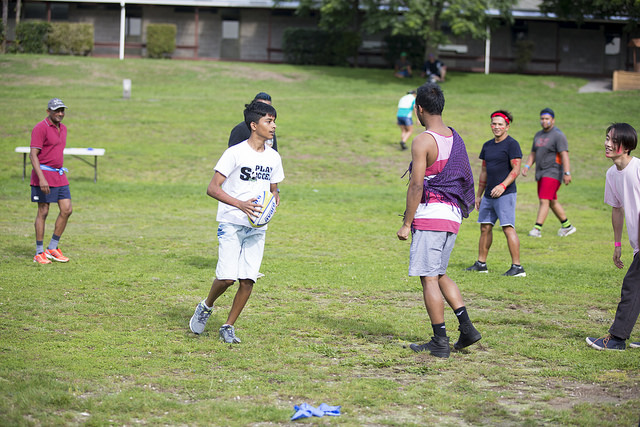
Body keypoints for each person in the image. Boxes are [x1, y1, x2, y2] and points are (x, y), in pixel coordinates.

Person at [397, 82, 481, 358]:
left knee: (429, 277)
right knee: (440, 272)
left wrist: (406, 223)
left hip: (431, 215)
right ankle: (467, 329)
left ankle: (439, 341)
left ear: (419, 109)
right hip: (452, 216)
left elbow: (416, 185)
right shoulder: (455, 137)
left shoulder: (423, 140)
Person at [189, 100, 284, 344]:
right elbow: (212, 188)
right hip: (231, 222)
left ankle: (228, 326)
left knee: (248, 279)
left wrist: (273, 200)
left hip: (257, 227)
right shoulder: (234, 153)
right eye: (268, 121)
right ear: (254, 125)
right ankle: (206, 305)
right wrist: (240, 204)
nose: (273, 126)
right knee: (227, 278)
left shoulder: (274, 158)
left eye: (274, 121)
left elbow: (274, 189)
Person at [586, 123, 640, 351]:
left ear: (626, 146)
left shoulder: (638, 168)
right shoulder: (611, 174)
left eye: (613, 140)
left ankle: (617, 338)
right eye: (607, 138)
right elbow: (616, 209)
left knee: (632, 286)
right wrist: (618, 244)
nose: (607, 144)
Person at [466, 111, 525, 277]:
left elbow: (516, 170)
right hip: (488, 195)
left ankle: (517, 267)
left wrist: (503, 186)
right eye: (494, 123)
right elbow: (484, 172)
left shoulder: (512, 145)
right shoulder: (487, 146)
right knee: (485, 227)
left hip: (505, 194)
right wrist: (479, 195)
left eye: (500, 124)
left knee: (507, 228)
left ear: (507, 127)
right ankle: (481, 264)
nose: (496, 127)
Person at [30, 98, 73, 264]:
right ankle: (39, 252)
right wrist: (41, 178)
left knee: (67, 209)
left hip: (59, 175)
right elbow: (33, 155)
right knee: (43, 211)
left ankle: (52, 248)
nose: (60, 114)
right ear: (48, 111)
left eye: (62, 111)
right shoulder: (40, 128)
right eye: (57, 111)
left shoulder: (64, 128)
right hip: (43, 175)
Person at [521, 108, 576, 238]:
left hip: (553, 172)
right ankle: (567, 226)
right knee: (551, 201)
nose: (544, 121)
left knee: (544, 199)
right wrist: (527, 166)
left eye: (547, 119)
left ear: (553, 120)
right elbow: (533, 153)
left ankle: (537, 229)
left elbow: (564, 155)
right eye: (542, 118)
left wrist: (567, 172)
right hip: (540, 172)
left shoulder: (558, 135)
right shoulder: (538, 135)